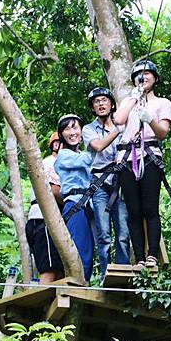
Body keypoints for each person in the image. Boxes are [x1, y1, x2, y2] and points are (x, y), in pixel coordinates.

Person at [112, 59, 171, 269]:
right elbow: (118, 120)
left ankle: (152, 255)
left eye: (147, 74)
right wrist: (133, 98)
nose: (143, 77)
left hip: (150, 155)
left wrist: (149, 119)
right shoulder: (129, 101)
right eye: (139, 74)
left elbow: (163, 132)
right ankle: (138, 257)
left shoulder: (162, 103)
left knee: (150, 208)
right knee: (133, 210)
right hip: (127, 158)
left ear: (155, 79)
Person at [82, 87, 131, 282]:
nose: (101, 104)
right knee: (103, 234)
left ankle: (123, 273)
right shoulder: (88, 129)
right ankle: (105, 274)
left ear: (112, 104)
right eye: (96, 101)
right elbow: (98, 146)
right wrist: (118, 129)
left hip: (120, 183)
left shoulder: (126, 126)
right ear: (93, 107)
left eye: (104, 100)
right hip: (100, 183)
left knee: (123, 232)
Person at [54, 114, 95, 282]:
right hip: (74, 203)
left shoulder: (82, 153)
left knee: (91, 248)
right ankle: (80, 284)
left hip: (89, 205)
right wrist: (97, 143)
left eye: (75, 127)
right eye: (67, 129)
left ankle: (86, 281)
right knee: (80, 247)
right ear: (62, 134)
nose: (72, 132)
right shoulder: (63, 155)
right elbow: (86, 161)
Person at [25, 132, 65, 284]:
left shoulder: (61, 163)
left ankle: (51, 301)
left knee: (60, 270)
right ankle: (41, 304)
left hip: (49, 219)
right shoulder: (50, 163)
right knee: (49, 270)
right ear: (56, 145)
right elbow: (54, 191)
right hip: (43, 219)